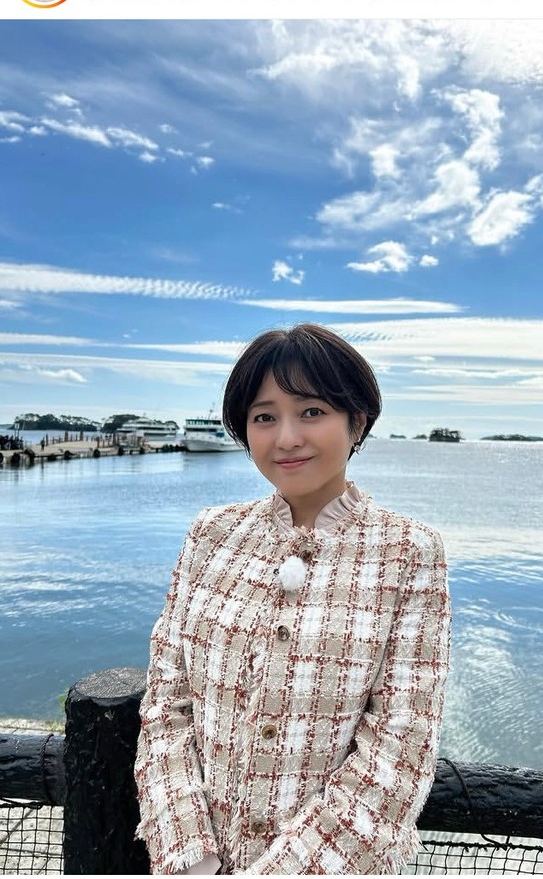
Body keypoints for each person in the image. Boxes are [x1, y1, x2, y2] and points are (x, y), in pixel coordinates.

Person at [135, 323, 451, 875]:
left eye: (311, 412)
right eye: (264, 417)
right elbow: (167, 704)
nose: (286, 438)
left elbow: (401, 747)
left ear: (357, 422)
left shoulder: (408, 552)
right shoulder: (212, 535)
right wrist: (190, 860)